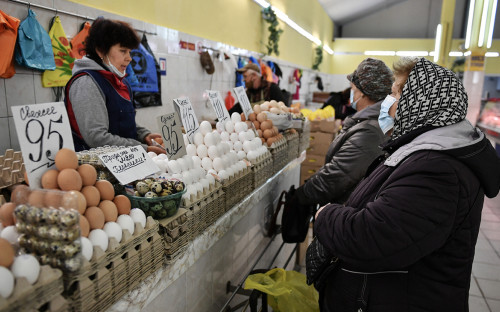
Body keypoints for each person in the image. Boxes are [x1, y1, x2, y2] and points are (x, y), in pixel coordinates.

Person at [312, 57, 500, 311]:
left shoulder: (437, 169)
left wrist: (326, 215)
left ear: (418, 101)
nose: (387, 103)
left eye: (394, 94)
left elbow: (372, 237)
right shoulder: (424, 153)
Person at [292, 58, 393, 206]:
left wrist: (301, 196)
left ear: (363, 93)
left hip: (347, 208)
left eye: (353, 89)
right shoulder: (372, 122)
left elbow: (338, 176)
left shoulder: (369, 132)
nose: (351, 93)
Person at [64, 18, 164, 153]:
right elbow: (97, 138)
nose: (129, 58)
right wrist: (143, 149)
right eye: (123, 51)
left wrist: (143, 134)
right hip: (97, 169)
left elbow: (120, 122)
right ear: (100, 50)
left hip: (124, 162)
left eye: (129, 51)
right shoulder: (86, 82)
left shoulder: (119, 81)